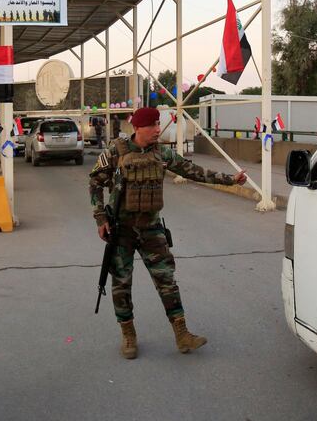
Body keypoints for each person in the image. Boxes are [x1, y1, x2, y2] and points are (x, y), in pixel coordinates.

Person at [89, 107, 247, 359]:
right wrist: (100, 218)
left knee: (167, 281)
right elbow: (95, 183)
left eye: (158, 125)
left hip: (151, 228)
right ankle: (128, 335)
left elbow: (192, 170)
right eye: (152, 125)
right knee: (121, 284)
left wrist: (230, 179)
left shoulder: (162, 153)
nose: (157, 130)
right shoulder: (115, 152)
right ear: (138, 128)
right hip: (122, 230)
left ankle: (182, 334)